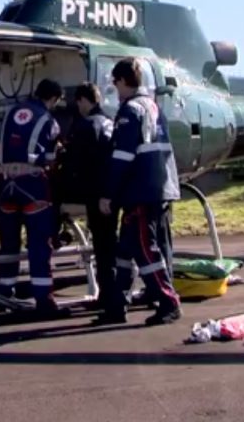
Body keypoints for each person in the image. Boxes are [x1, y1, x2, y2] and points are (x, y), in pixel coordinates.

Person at [95, 58, 182, 326]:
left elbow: (122, 157)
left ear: (122, 81)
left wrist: (108, 193)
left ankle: (168, 302)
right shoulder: (153, 106)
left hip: (141, 192)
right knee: (126, 250)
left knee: (145, 250)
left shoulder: (130, 111)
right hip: (158, 187)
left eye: (115, 83)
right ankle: (117, 304)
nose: (115, 88)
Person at [0, 78, 66, 316]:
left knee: (8, 243)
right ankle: (44, 299)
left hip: (5, 184)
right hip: (32, 185)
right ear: (53, 98)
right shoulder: (49, 121)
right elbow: (52, 159)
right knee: (38, 244)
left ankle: (4, 292)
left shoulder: (12, 111)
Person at [59, 82, 120, 308]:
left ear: (84, 100)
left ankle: (109, 298)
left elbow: (73, 162)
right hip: (112, 191)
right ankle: (114, 293)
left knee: (102, 246)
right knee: (110, 243)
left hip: (94, 193)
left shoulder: (85, 126)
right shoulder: (111, 123)